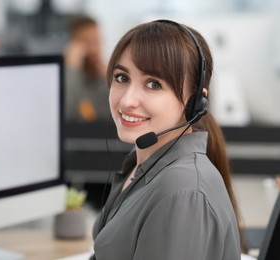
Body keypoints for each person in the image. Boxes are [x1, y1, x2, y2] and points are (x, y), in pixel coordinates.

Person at [90, 20, 242, 259]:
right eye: (122, 78)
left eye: (153, 84)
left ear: (195, 103)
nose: (128, 100)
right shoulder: (141, 164)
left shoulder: (182, 192)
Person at [64, 15, 110, 123]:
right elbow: (71, 113)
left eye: (97, 41)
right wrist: (72, 68)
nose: (96, 48)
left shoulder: (103, 75)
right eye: (88, 43)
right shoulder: (68, 78)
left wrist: (110, 79)